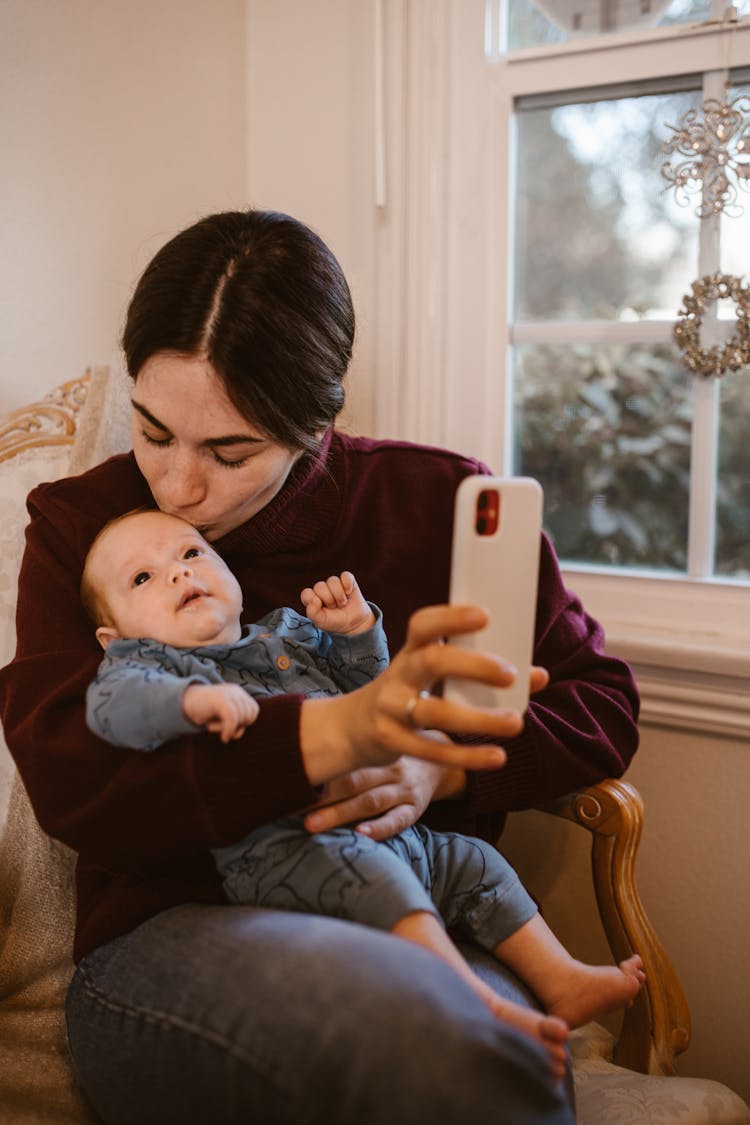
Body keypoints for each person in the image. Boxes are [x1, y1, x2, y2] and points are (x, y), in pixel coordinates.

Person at [0, 207, 641, 1125]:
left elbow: (600, 702)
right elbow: (70, 769)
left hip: (421, 899)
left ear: (315, 422)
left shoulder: (433, 500)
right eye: (151, 430)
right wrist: (337, 732)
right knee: (431, 1047)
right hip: (179, 931)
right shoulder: (89, 530)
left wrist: (435, 764)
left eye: (230, 451)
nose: (176, 488)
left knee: (504, 1063)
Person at [80, 507, 645, 1080]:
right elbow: (112, 710)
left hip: (397, 834)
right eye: (142, 578)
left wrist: (355, 635)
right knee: (385, 884)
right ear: (112, 638)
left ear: (230, 571)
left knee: (475, 863)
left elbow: (373, 703)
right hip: (289, 853)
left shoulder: (287, 632)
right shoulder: (147, 665)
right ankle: (473, 1001)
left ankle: (561, 978)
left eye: (191, 553)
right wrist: (187, 703)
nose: (177, 573)